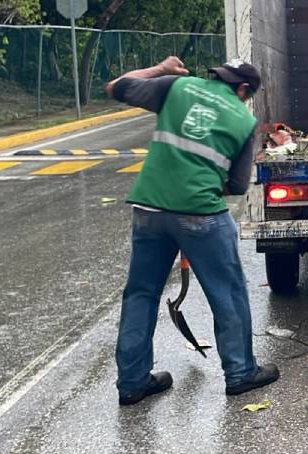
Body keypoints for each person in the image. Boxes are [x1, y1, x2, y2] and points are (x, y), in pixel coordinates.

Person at [106, 56, 279, 406]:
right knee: (227, 293)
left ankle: (131, 383)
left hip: (149, 208)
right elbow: (237, 185)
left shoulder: (177, 87)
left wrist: (160, 69)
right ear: (243, 89)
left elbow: (116, 87)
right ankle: (240, 372)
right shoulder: (244, 120)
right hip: (199, 214)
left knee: (141, 294)